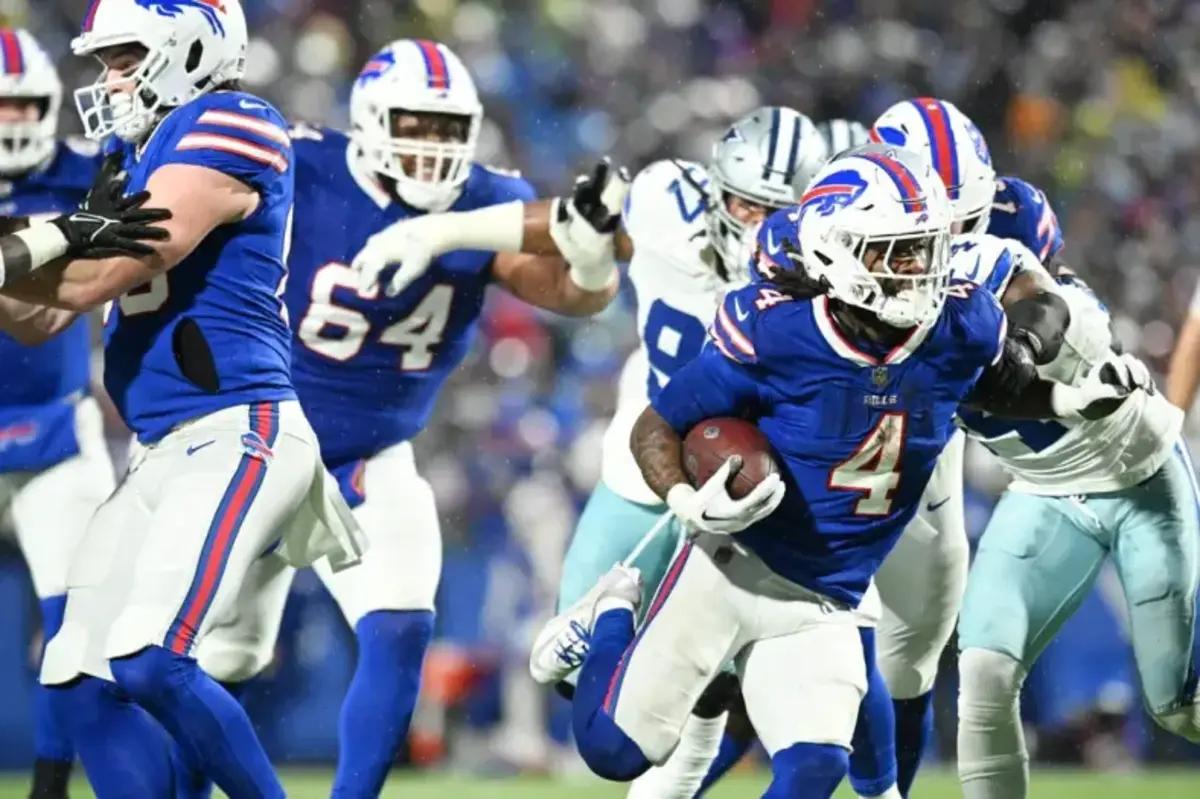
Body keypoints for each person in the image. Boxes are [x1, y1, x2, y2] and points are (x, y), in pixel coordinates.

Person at [533, 147, 1138, 797]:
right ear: (836, 251)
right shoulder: (777, 330)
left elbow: (997, 382)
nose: (919, 269)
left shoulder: (958, 325)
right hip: (728, 564)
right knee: (613, 752)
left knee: (813, 770)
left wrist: (1062, 400)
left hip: (827, 599)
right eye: (896, 252)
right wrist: (684, 497)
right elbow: (657, 425)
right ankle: (612, 612)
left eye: (927, 248)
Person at [354, 104, 836, 797]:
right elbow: (568, 225)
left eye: (777, 210)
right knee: (572, 670)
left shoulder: (829, 271)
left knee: (780, 675)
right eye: (743, 203)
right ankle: (644, 650)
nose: (757, 225)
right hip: (649, 463)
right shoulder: (670, 206)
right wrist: (440, 231)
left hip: (760, 484)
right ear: (715, 189)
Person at [191, 38, 626, 798]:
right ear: (368, 120)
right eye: (415, 125)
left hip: (371, 453)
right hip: (256, 439)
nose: (431, 146)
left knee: (398, 625)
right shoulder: (301, 163)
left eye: (446, 128)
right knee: (212, 658)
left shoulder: (483, 198)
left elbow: (572, 287)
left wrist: (590, 257)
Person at [1, 2, 363, 796]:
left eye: (125, 56)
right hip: (160, 447)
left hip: (238, 427)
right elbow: (39, 317)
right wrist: (47, 239)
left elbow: (120, 265)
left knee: (149, 656)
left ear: (188, 46)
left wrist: (45, 241)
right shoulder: (127, 153)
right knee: (76, 674)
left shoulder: (233, 120)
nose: (110, 78)